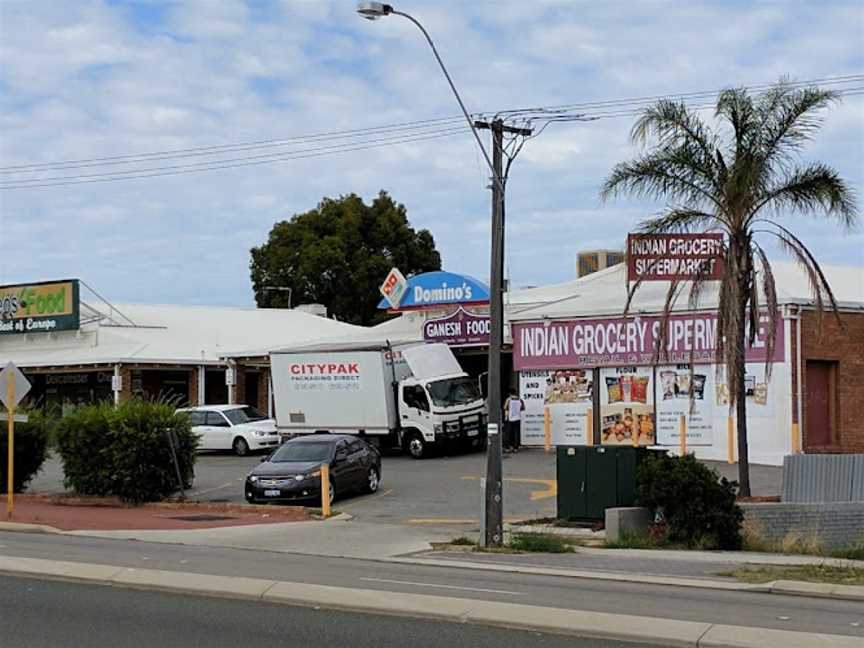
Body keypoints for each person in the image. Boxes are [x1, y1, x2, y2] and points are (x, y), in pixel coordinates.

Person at [503, 389, 525, 453]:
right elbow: (523, 408)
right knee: (516, 433)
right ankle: (515, 448)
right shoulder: (520, 400)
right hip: (518, 418)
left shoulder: (508, 400)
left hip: (510, 418)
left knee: (508, 433)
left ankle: (508, 447)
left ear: (510, 393)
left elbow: (505, 407)